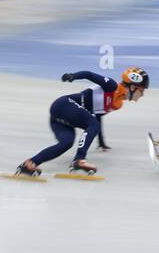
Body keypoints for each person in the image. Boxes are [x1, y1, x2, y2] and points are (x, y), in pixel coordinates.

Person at [13, 67, 148, 178]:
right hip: (64, 105)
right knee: (93, 124)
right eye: (141, 90)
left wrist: (101, 142)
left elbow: (98, 116)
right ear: (132, 87)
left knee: (66, 143)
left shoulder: (117, 104)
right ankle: (78, 160)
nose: (142, 94)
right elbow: (89, 74)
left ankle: (30, 164)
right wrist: (73, 76)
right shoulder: (112, 86)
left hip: (61, 117)